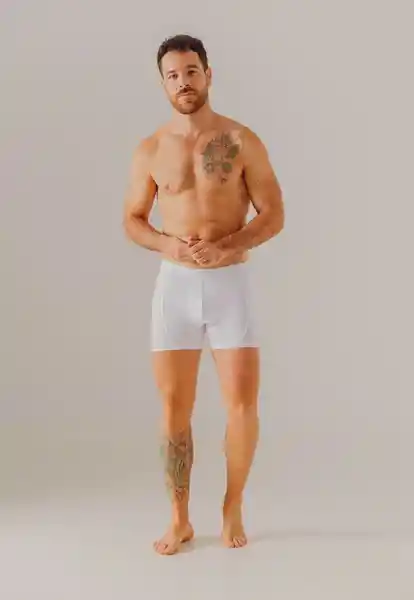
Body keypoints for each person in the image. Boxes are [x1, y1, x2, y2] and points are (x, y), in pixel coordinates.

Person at [123, 34, 285, 555]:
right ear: (163, 84)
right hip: (175, 287)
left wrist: (228, 246)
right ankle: (179, 519)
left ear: (208, 75)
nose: (183, 82)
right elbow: (132, 219)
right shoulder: (150, 149)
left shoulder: (241, 140)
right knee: (174, 407)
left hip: (230, 284)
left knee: (242, 405)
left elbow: (274, 213)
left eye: (191, 71)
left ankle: (233, 503)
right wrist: (168, 244)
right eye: (173, 75)